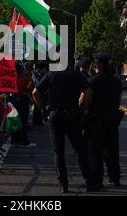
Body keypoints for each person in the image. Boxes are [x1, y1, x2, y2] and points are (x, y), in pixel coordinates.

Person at [32, 61, 91, 194]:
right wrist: (84, 108)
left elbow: (35, 92)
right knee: (81, 149)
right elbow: (88, 91)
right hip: (72, 115)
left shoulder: (51, 75)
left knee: (59, 152)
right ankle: (88, 180)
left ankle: (63, 183)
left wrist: (43, 109)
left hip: (56, 115)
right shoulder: (76, 75)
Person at [83, 53, 123, 191]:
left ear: (97, 65)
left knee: (95, 152)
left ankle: (97, 180)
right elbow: (118, 100)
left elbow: (85, 99)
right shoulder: (117, 81)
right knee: (112, 151)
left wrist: (84, 109)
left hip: (96, 120)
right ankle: (115, 178)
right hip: (112, 120)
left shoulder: (93, 81)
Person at [10, 62, 36, 147]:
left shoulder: (12, 79)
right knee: (23, 120)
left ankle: (14, 140)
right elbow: (30, 87)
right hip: (22, 100)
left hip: (14, 100)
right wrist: (30, 79)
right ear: (21, 70)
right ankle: (24, 141)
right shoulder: (23, 80)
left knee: (15, 120)